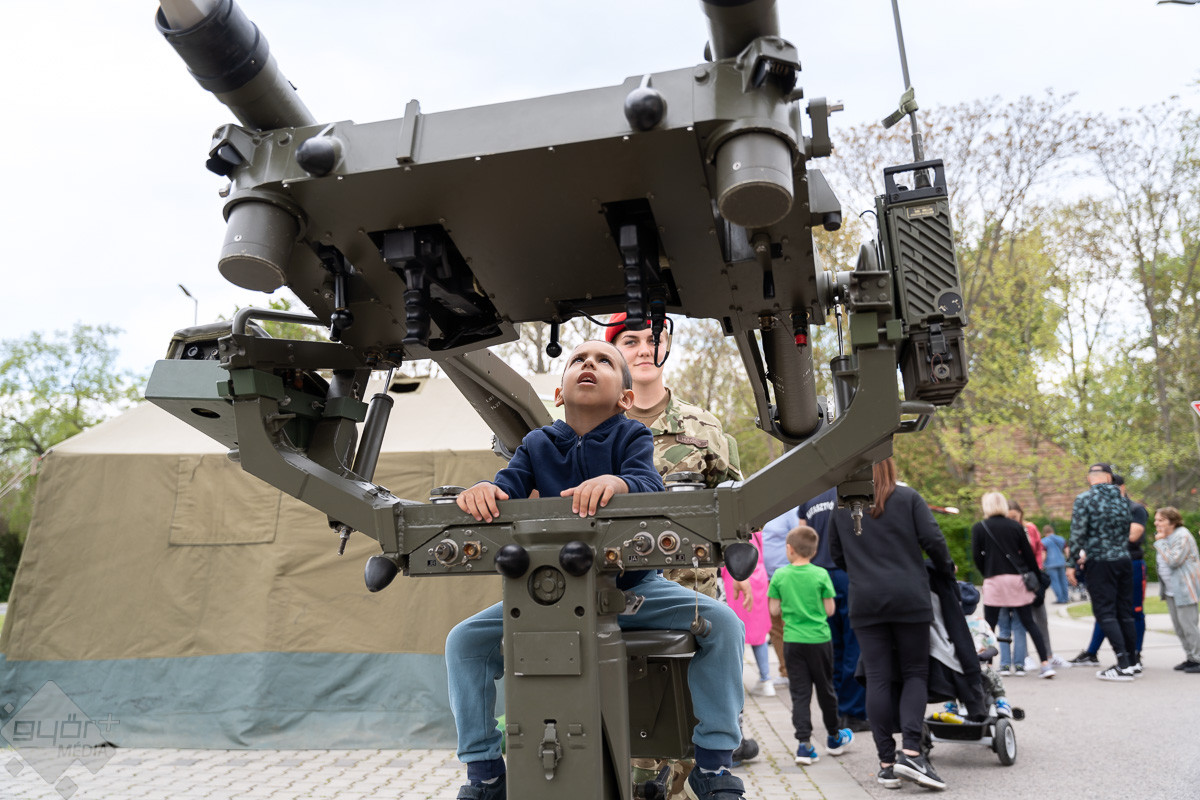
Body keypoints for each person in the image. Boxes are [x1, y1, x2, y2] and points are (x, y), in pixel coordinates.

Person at [447, 339, 749, 800]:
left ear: (625, 398)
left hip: (632, 592)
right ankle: (484, 771)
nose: (589, 363)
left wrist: (619, 482)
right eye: (578, 360)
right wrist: (484, 492)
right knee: (464, 642)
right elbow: (506, 490)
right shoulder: (537, 444)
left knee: (723, 624)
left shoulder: (632, 436)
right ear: (559, 394)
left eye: (604, 361)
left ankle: (713, 763)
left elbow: (647, 483)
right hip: (549, 597)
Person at [605, 313, 756, 788]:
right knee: (627, 751)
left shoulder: (703, 427)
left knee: (687, 744)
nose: (643, 349)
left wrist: (740, 574)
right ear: (614, 353)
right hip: (617, 603)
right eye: (630, 341)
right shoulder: (594, 427)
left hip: (692, 603)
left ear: (666, 347)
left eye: (653, 339)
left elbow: (735, 509)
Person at [830, 457, 955, 791]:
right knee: (915, 672)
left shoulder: (843, 507)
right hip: (909, 596)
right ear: (889, 465)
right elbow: (934, 541)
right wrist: (946, 570)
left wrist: (862, 571)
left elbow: (836, 554)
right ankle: (911, 752)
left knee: (877, 678)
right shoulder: (908, 498)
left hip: (866, 600)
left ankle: (886, 764)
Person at [767, 525, 853, 766]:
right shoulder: (821, 574)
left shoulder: (780, 576)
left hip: (793, 641)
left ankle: (804, 745)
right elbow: (830, 610)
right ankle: (834, 737)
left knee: (800, 693)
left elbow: (774, 610)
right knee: (826, 689)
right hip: (819, 640)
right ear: (814, 551)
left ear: (789, 549)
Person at [970, 492, 1056, 679]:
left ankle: (988, 666)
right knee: (1029, 622)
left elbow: (976, 556)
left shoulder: (979, 527)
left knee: (990, 625)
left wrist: (987, 572)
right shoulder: (1015, 526)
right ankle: (1045, 663)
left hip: (994, 580)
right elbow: (1028, 556)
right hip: (1016, 580)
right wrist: (1037, 578)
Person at [1070, 474, 1149, 671]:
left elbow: (1078, 533)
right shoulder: (1122, 503)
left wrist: (1072, 562)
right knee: (1124, 612)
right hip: (1123, 559)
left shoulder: (1086, 499)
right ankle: (1131, 661)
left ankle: (1124, 664)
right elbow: (1125, 533)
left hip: (1103, 562)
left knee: (1106, 612)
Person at [722, 528, 773, 697]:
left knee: (736, 632)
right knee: (759, 634)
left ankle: (736, 681)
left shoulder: (728, 531)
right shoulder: (755, 531)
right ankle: (766, 679)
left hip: (736, 577)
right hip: (758, 580)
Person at [1152, 507, 1200, 673]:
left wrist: (1160, 542)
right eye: (1156, 520)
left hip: (1185, 589)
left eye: (1160, 520)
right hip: (1171, 591)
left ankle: (1198, 659)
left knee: (1189, 627)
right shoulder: (1167, 537)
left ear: (1172, 522)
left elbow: (1174, 561)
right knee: (1179, 628)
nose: (1156, 523)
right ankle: (1190, 657)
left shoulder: (1182, 535)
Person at [1041, 524, 1070, 604]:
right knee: (1063, 580)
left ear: (1044, 532)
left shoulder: (1043, 541)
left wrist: (1041, 563)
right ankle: (1066, 598)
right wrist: (1068, 561)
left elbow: (1044, 554)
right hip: (1061, 562)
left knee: (1054, 582)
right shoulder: (1061, 539)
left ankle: (1060, 599)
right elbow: (1067, 551)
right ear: (1052, 531)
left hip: (1050, 564)